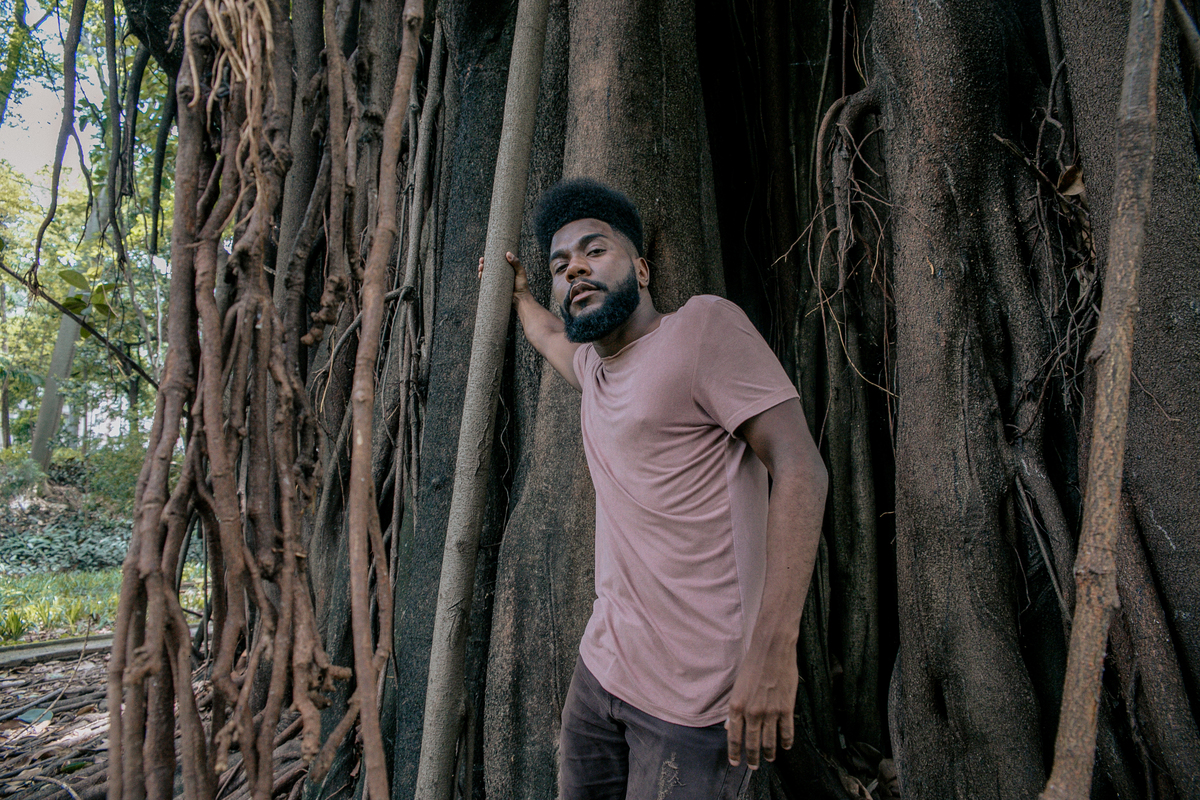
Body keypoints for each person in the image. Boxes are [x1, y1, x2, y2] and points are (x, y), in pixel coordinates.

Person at [480, 178, 827, 799]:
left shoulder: (702, 330)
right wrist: (520, 297)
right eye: (560, 266)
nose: (575, 269)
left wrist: (774, 651)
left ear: (641, 269)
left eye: (594, 251)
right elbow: (549, 336)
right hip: (603, 671)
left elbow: (801, 467)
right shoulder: (594, 368)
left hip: (697, 699)